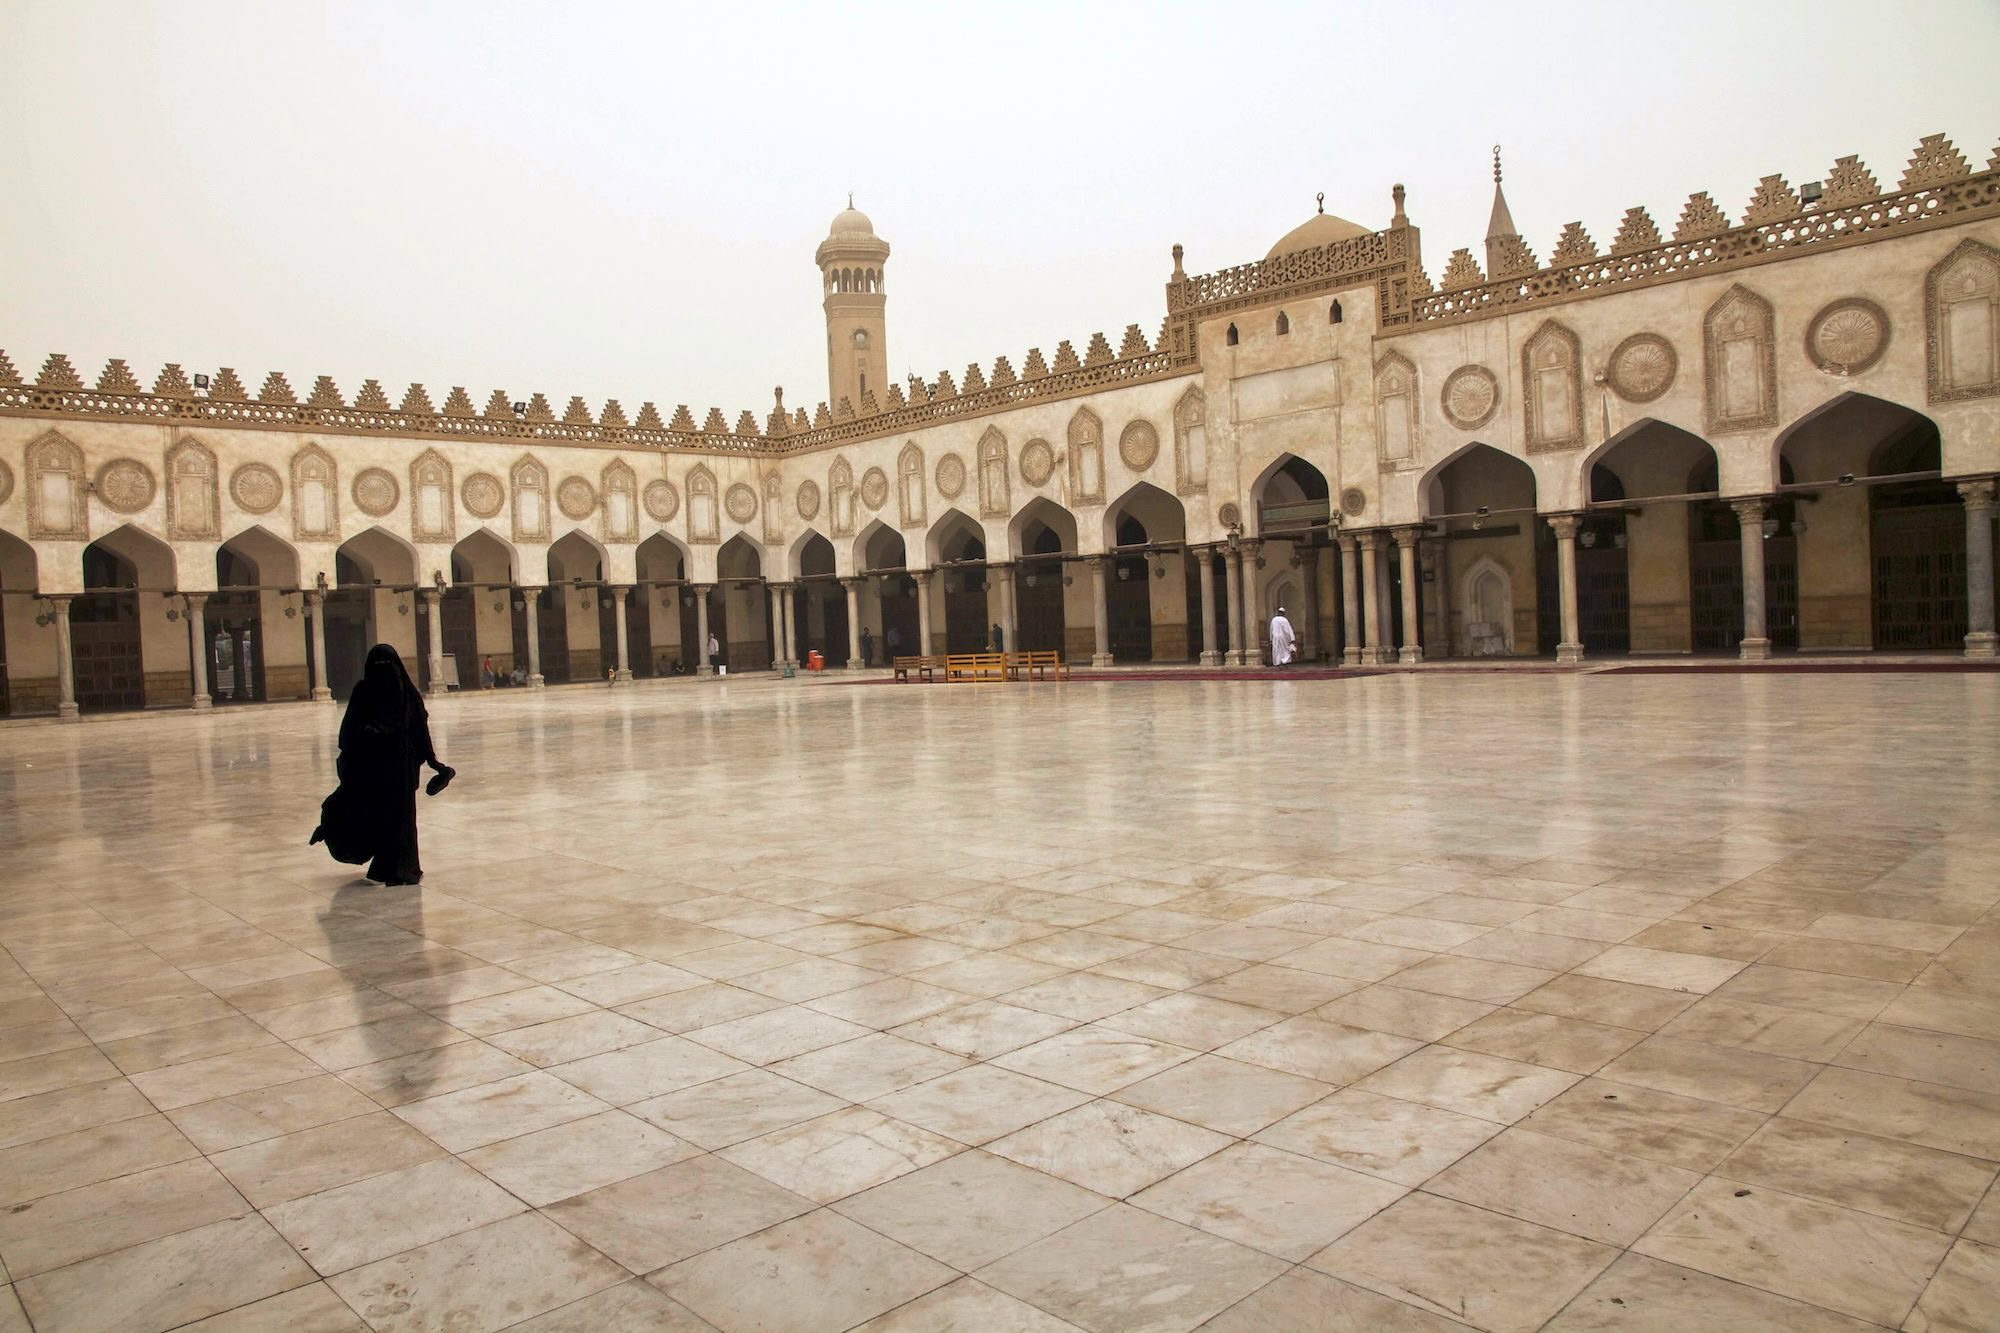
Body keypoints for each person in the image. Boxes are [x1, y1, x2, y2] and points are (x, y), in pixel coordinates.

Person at [313, 644, 454, 886]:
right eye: (378, 666)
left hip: (399, 770)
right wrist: (368, 734)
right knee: (386, 819)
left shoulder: (405, 694)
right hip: (377, 770)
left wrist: (434, 762)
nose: (384, 671)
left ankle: (402, 867)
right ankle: (390, 866)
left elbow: (420, 730)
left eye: (387, 665)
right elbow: (348, 732)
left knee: (402, 819)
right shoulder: (368, 692)